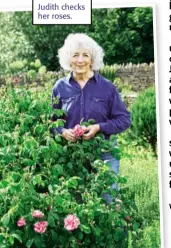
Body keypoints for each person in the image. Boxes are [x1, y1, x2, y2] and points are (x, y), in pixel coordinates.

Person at [52, 33, 131, 204]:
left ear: (92, 60)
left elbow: (124, 119)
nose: (80, 60)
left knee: (108, 198)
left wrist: (99, 127)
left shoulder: (107, 87)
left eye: (85, 55)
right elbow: (51, 122)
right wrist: (63, 131)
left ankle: (112, 230)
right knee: (77, 202)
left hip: (104, 152)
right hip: (74, 154)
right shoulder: (60, 87)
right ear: (68, 59)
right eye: (75, 55)